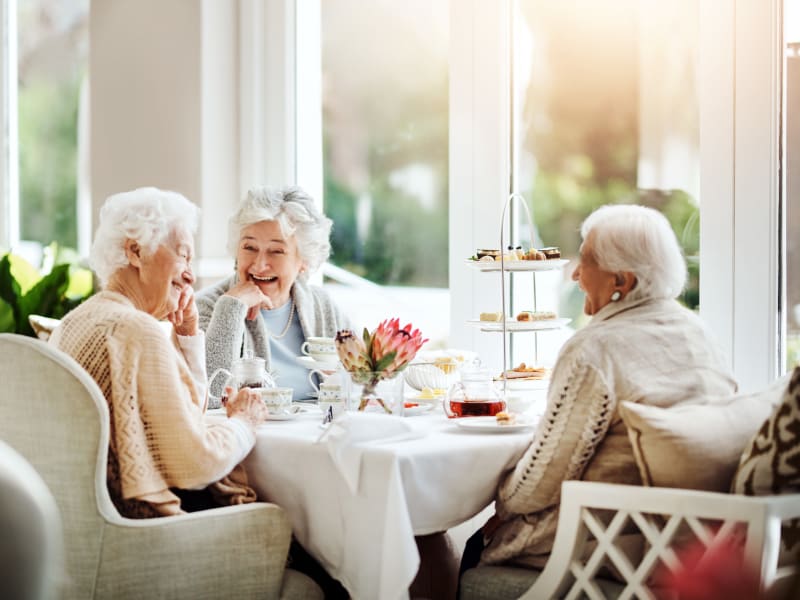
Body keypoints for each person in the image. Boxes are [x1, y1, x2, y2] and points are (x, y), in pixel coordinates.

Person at [460, 204, 738, 576]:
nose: (575, 273)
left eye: (587, 260)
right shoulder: (699, 333)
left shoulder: (594, 349)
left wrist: (500, 506)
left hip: (608, 541)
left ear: (621, 282)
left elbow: (540, 483)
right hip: (695, 542)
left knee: (463, 544)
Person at [50, 187, 268, 518]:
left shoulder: (74, 322)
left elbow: (183, 417)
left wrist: (187, 333)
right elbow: (197, 463)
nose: (191, 276)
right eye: (183, 255)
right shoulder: (136, 331)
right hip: (142, 528)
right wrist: (244, 422)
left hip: (81, 524)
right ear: (136, 252)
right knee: (278, 521)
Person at [197, 186, 351, 406]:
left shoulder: (321, 305)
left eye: (276, 251)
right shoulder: (207, 306)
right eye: (249, 247)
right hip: (249, 438)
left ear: (304, 261)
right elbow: (209, 398)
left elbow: (362, 380)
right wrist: (231, 308)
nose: (259, 265)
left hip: (319, 434)